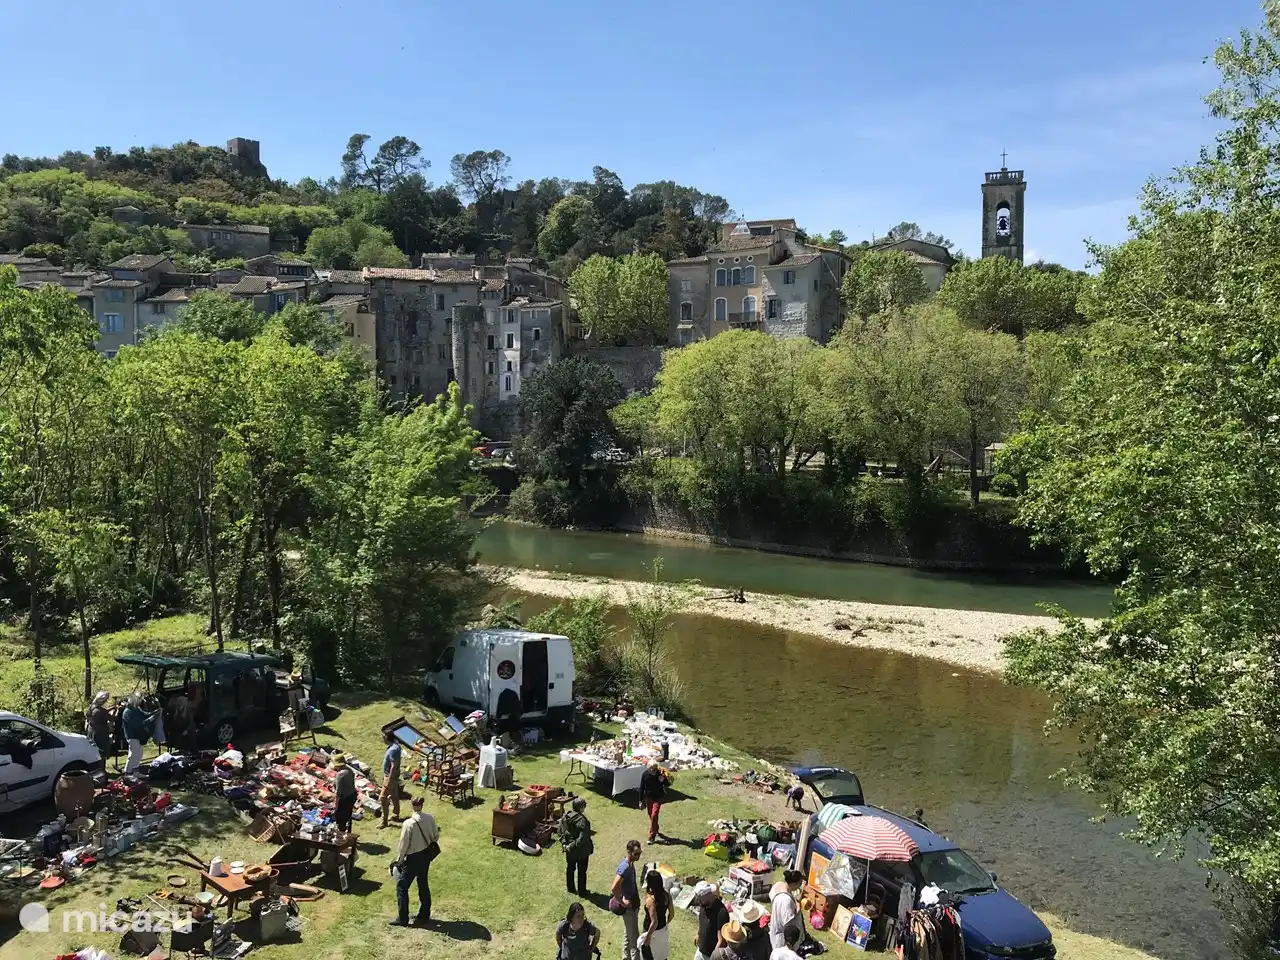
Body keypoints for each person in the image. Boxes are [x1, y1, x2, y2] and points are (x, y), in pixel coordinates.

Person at [390, 795, 439, 927]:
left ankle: (403, 918)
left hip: (413, 858)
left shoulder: (408, 824)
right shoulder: (430, 818)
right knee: (423, 884)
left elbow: (403, 845)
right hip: (426, 855)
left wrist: (399, 861)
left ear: (412, 805)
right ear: (422, 805)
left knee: (402, 886)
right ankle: (424, 915)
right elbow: (435, 836)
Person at [611, 839, 643, 960]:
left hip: (634, 904)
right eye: (636, 854)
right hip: (629, 908)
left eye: (640, 853)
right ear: (629, 852)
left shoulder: (630, 864)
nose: (638, 856)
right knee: (634, 939)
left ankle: (625, 957)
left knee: (628, 934)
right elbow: (614, 888)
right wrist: (621, 902)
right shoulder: (624, 867)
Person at [561, 796, 593, 896]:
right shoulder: (583, 821)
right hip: (581, 851)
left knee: (570, 869)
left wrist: (565, 845)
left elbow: (561, 831)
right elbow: (582, 839)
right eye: (584, 806)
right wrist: (571, 846)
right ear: (581, 807)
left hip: (569, 851)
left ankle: (570, 888)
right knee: (582, 871)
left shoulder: (565, 817)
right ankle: (582, 892)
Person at [767, 870, 805, 952]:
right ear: (793, 884)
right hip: (783, 939)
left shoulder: (778, 885)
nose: (800, 886)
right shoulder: (786, 901)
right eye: (800, 883)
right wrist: (798, 906)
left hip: (776, 928)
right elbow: (789, 923)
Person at [640, 869, 674, 960]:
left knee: (648, 955)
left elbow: (654, 922)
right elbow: (671, 914)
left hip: (651, 932)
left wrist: (648, 937)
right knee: (661, 955)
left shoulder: (651, 900)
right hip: (662, 930)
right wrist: (665, 924)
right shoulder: (667, 895)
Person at [693, 882, 729, 960]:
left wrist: (714, 957)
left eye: (700, 897)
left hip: (710, 955)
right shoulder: (704, 905)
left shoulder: (721, 912)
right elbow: (702, 921)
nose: (698, 900)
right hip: (700, 951)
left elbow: (721, 941)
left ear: (708, 894)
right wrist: (698, 934)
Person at [121, 693, 155, 774]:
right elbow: (138, 724)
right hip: (131, 735)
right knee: (133, 755)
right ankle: (128, 772)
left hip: (137, 735)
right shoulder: (128, 712)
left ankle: (135, 771)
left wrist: (154, 713)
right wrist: (151, 719)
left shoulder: (135, 709)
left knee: (138, 754)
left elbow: (144, 714)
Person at [638, 762, 667, 844]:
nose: (653, 771)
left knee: (654, 815)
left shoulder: (660, 774)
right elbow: (641, 788)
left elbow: (668, 784)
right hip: (649, 798)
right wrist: (640, 801)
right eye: (651, 769)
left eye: (654, 769)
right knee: (651, 815)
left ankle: (652, 835)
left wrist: (663, 780)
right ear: (648, 768)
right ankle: (655, 828)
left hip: (658, 798)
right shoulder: (645, 775)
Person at [380, 731, 403, 827]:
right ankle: (395, 814)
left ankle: (384, 821)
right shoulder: (396, 746)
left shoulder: (393, 749)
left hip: (390, 777)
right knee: (394, 795)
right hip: (393, 776)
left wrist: (389, 779)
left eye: (383, 737)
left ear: (386, 738)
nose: (382, 739)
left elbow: (393, 765)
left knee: (383, 798)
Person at [331, 753, 357, 833]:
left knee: (340, 818)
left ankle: (341, 833)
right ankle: (348, 830)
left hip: (344, 799)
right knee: (348, 814)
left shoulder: (340, 775)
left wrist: (335, 805)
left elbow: (338, 792)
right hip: (352, 795)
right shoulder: (349, 770)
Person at [86, 692, 112, 758]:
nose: (106, 701)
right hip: (100, 734)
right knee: (101, 752)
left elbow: (104, 711)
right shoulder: (100, 711)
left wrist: (112, 708)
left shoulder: (91, 707)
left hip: (92, 732)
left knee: (93, 750)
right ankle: (101, 764)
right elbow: (113, 718)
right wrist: (118, 711)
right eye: (105, 700)